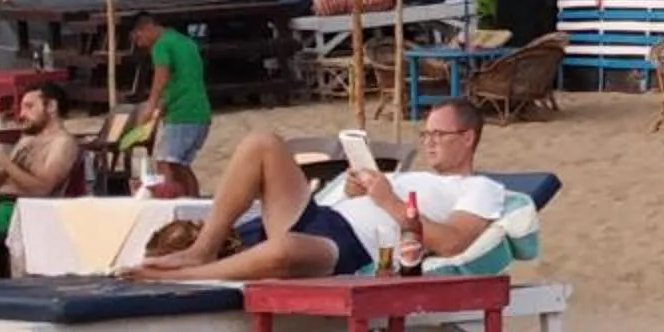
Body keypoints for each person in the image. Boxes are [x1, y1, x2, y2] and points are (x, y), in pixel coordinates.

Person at [136, 100, 507, 282]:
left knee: (284, 249)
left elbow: (454, 243)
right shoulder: (415, 179)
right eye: (425, 134)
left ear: (468, 138)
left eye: (439, 135)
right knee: (261, 143)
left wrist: (388, 201)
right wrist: (351, 190)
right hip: (322, 216)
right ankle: (200, 253)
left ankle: (187, 277)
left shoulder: (480, 188)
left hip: (349, 247)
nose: (429, 143)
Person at [0, 81, 82, 242]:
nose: (21, 114)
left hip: (21, 212)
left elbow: (42, 190)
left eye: (29, 107)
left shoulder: (63, 143)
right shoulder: (27, 140)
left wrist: (4, 161)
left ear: (51, 106)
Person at [132, 13, 212, 171]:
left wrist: (151, 105)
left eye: (138, 38)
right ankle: (192, 196)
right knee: (181, 167)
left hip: (182, 114)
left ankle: (172, 196)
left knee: (166, 164)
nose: (140, 45)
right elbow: (184, 79)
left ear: (147, 28)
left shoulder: (161, 45)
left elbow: (162, 73)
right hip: (200, 112)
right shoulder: (184, 41)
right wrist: (163, 103)